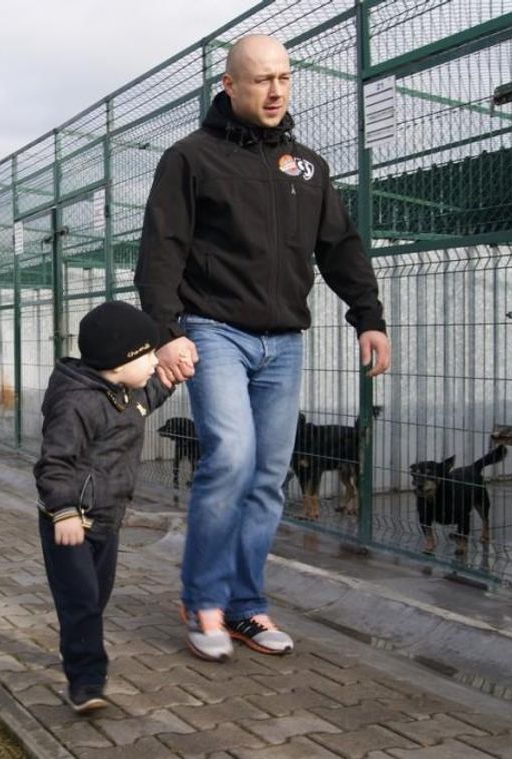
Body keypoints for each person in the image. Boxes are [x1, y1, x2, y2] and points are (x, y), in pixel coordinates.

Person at [134, 34, 392, 663]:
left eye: (284, 77)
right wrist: (166, 333)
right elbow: (161, 250)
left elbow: (340, 246)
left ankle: (246, 606)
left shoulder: (306, 167)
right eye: (260, 80)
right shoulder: (191, 159)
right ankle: (202, 601)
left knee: (270, 477)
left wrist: (370, 316)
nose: (275, 90)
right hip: (213, 329)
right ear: (229, 85)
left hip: (284, 340)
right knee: (231, 457)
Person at [34, 301, 176, 714]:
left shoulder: (126, 392)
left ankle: (78, 650)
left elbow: (151, 391)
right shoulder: (76, 404)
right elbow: (54, 462)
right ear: (119, 361)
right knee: (79, 600)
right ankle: (87, 680)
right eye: (148, 354)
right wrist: (62, 511)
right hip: (69, 522)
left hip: (107, 520)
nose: (154, 360)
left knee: (96, 598)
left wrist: (176, 368)